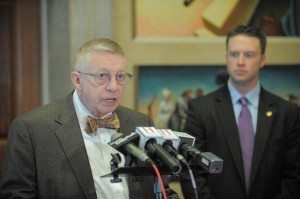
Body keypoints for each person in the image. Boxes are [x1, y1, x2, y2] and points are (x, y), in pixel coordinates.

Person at [0, 38, 178, 199]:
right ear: (77, 80)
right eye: (102, 76)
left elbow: (161, 189)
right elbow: (16, 195)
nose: (113, 87)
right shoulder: (31, 129)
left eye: (120, 76)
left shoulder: (141, 122)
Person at [180, 25, 300, 199]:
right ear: (226, 57)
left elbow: (294, 176)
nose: (240, 61)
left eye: (249, 55)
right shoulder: (200, 109)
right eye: (234, 54)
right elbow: (191, 173)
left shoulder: (287, 113)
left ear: (263, 59)